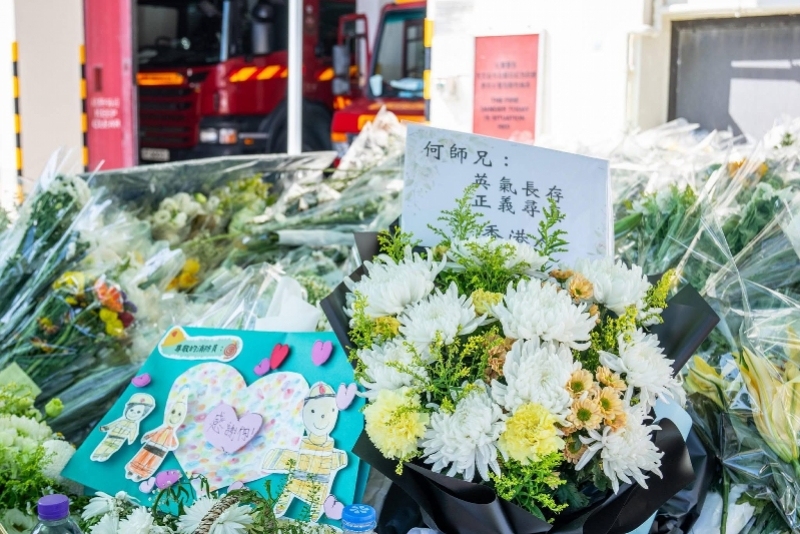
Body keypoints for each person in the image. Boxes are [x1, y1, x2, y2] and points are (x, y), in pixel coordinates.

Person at [262, 382, 348, 521]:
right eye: (313, 411)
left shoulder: (331, 449)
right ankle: (282, 509)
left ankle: (314, 517)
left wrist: (339, 459)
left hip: (320, 486)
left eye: (332, 411)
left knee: (315, 510)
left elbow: (338, 460)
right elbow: (290, 457)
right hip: (297, 479)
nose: (322, 417)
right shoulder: (302, 444)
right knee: (287, 494)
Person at [125, 396, 187, 482]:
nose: (174, 416)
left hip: (160, 450)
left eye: (179, 414)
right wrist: (147, 437)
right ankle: (132, 470)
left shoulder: (172, 433)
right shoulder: (161, 429)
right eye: (173, 412)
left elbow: (173, 443)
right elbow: (154, 433)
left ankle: (142, 474)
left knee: (151, 462)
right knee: (142, 457)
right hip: (151, 445)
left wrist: (173, 444)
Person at [90, 393, 155, 462]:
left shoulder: (134, 425)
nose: (133, 413)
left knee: (112, 448)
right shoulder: (120, 421)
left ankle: (104, 455)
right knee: (103, 445)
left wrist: (131, 439)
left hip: (120, 440)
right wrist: (105, 428)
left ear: (142, 415)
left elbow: (133, 432)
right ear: (127, 410)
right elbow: (112, 425)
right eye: (131, 410)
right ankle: (96, 455)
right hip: (111, 436)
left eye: (138, 412)